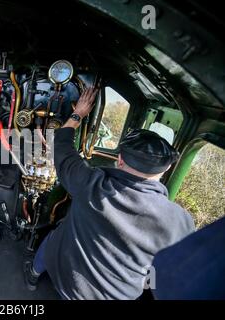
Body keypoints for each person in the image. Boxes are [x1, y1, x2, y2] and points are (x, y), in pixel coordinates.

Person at [23, 87, 195, 299]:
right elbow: (169, 271)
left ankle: (32, 274)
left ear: (120, 160)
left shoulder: (91, 184)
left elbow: (61, 144)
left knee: (55, 236)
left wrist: (78, 114)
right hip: (114, 296)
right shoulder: (181, 222)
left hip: (67, 281)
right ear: (167, 168)